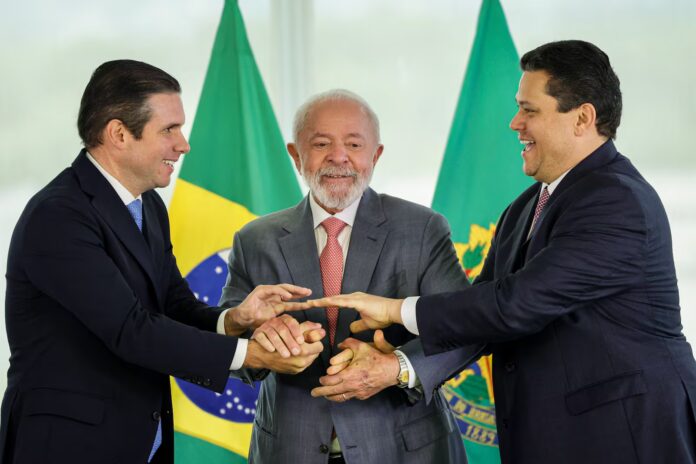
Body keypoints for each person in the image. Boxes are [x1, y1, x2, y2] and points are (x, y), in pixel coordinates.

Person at [304, 41, 696, 463]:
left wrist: (395, 309)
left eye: (529, 110)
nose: (515, 123)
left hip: (624, 438)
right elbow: (481, 315)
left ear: (582, 118)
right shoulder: (524, 208)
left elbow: (515, 305)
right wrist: (394, 361)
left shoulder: (617, 200)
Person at [0, 59, 324, 464]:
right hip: (69, 447)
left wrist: (235, 320)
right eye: (169, 129)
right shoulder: (59, 215)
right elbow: (131, 330)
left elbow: (172, 305)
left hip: (139, 442)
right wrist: (253, 355)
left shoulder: (149, 206)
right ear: (119, 134)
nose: (183, 144)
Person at [219, 89, 482, 464]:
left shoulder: (422, 228)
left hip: (406, 451)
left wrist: (395, 368)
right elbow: (229, 344)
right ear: (295, 155)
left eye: (354, 144)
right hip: (289, 449)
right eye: (321, 143)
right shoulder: (254, 240)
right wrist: (263, 348)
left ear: (376, 155)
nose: (338, 156)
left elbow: (464, 329)